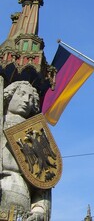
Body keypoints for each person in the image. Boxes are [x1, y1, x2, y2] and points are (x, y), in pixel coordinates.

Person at [1, 81, 51, 220]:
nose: (26, 101)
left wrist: (39, 210)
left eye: (30, 98)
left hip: (20, 202)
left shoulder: (35, 134)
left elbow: (44, 181)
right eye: (21, 94)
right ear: (9, 96)